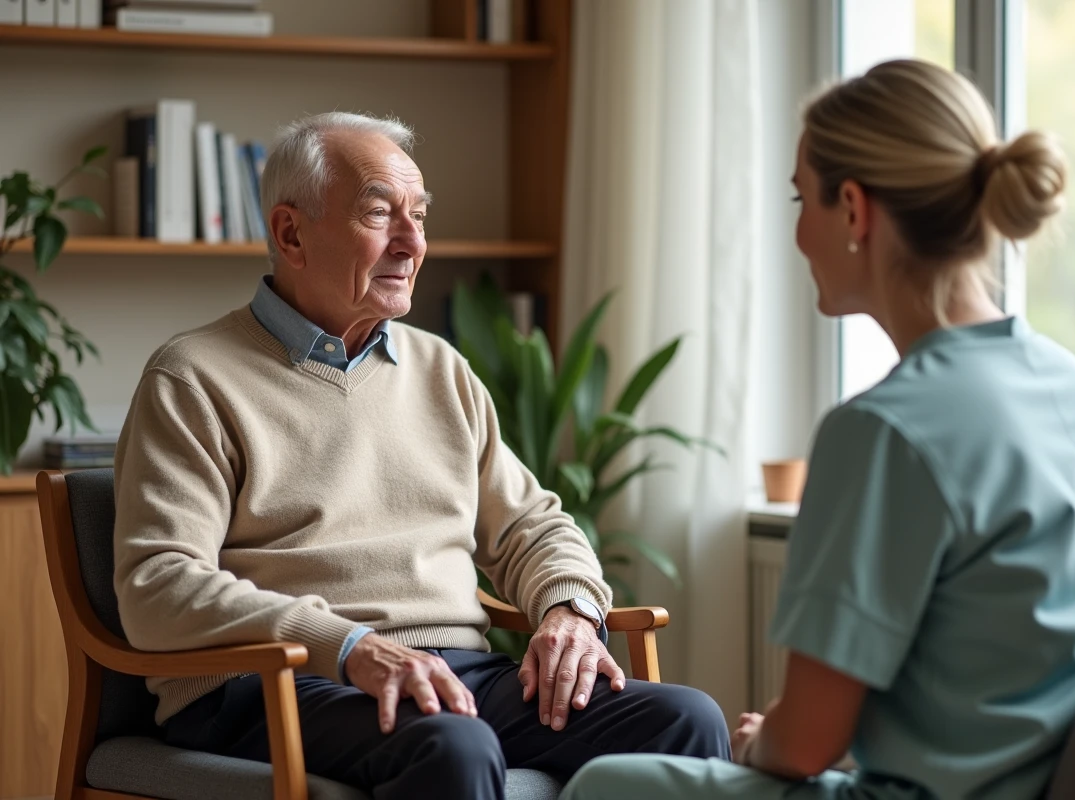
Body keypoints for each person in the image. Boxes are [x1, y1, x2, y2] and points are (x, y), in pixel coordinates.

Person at [561, 58, 1075, 800]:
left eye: (798, 200)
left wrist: (759, 740)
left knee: (603, 785)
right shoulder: (1072, 384)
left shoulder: (884, 430)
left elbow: (807, 743)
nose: (797, 234)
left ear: (853, 209)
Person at [112, 111, 729, 800]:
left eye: (420, 216)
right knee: (451, 746)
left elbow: (533, 526)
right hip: (269, 683)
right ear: (291, 233)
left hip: (453, 671)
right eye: (381, 214)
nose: (412, 242)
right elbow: (158, 585)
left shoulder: (441, 370)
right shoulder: (193, 377)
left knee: (685, 721)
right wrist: (347, 647)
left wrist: (569, 611)